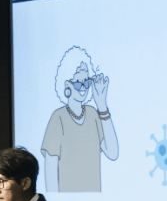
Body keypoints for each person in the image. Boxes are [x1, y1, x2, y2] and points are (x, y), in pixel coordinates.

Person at [41, 46, 119, 192]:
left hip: (96, 200)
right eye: (78, 83)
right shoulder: (57, 118)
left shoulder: (93, 114)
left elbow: (113, 153)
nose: (83, 88)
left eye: (87, 82)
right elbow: (50, 175)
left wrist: (102, 105)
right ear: (67, 85)